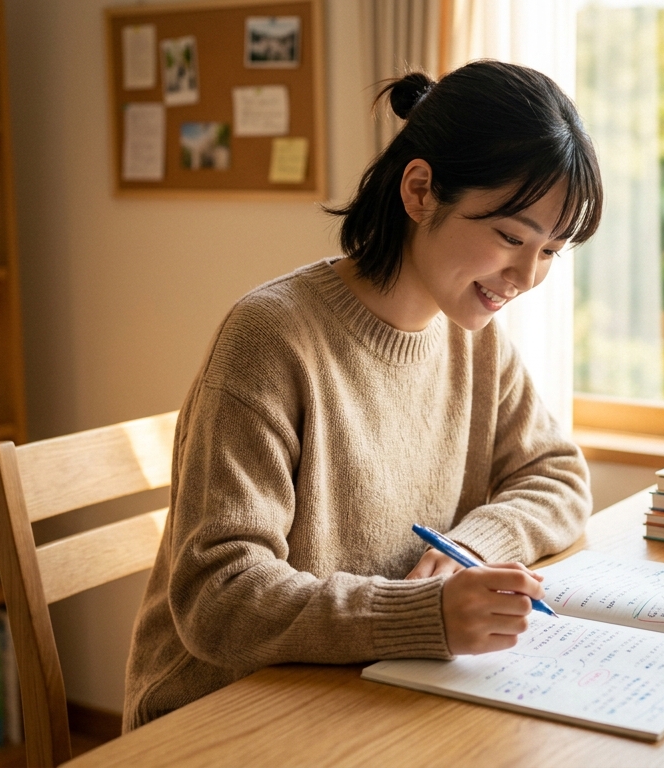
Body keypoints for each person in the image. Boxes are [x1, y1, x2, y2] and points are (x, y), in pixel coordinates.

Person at [122, 60, 604, 730]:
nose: (526, 275)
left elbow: (557, 476)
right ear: (420, 190)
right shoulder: (271, 337)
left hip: (368, 695)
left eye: (551, 250)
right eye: (509, 237)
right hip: (223, 717)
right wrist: (418, 615)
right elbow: (219, 596)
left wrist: (474, 546)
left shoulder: (473, 335)